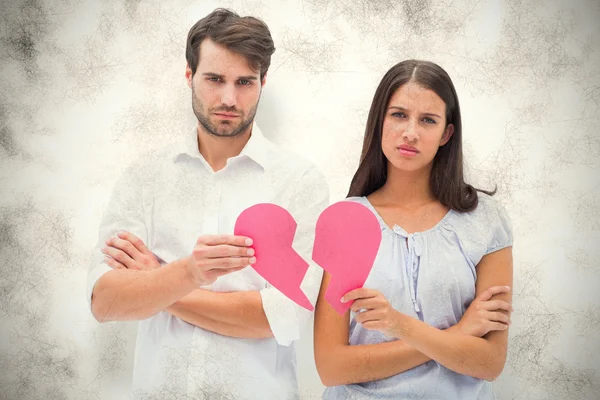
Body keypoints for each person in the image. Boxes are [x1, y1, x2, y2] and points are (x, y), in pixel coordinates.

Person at [87, 8, 329, 400]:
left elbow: (284, 317)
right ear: (189, 75)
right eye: (214, 79)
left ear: (263, 82)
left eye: (245, 82)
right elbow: (105, 301)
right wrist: (189, 272)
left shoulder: (299, 183)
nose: (229, 98)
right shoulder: (146, 176)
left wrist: (159, 280)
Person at [313, 60, 514, 399]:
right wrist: (459, 333)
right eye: (399, 115)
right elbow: (331, 367)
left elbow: (489, 363)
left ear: (446, 134)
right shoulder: (345, 222)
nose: (410, 132)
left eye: (428, 120)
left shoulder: (485, 220)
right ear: (380, 122)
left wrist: (399, 325)